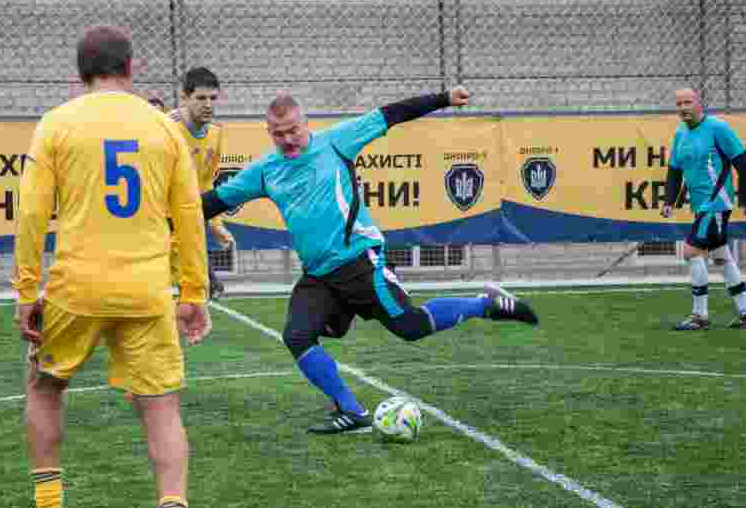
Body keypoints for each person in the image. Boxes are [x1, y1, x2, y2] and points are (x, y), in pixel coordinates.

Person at [201, 88, 539, 435]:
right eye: (278, 134)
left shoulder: (336, 142)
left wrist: (444, 98)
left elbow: (391, 114)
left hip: (363, 261)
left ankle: (486, 304)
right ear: (268, 133)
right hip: (319, 275)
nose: (288, 139)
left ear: (305, 124)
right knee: (297, 335)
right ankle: (352, 410)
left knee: (411, 327)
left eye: (293, 131)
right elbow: (213, 201)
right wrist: (161, 218)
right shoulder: (264, 171)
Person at [12, 26, 211, 508]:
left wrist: (27, 288)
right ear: (132, 67)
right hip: (146, 292)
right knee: (162, 408)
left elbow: (31, 213)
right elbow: (189, 214)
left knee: (45, 386)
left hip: (76, 288)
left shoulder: (56, 123)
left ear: (80, 72)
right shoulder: (164, 129)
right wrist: (193, 290)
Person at [661, 88, 746, 330]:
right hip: (700, 205)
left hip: (716, 203)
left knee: (691, 251)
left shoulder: (718, 128)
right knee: (721, 256)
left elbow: (743, 163)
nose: (683, 107)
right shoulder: (680, 133)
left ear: (699, 103)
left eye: (688, 102)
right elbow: (674, 170)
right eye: (679, 103)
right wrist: (669, 201)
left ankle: (699, 317)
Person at [169, 67, 234, 300]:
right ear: (184, 98)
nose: (208, 105)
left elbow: (206, 182)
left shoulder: (216, 134)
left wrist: (216, 223)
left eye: (213, 98)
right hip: (159, 227)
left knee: (197, 294)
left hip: (188, 225)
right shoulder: (166, 128)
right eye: (201, 98)